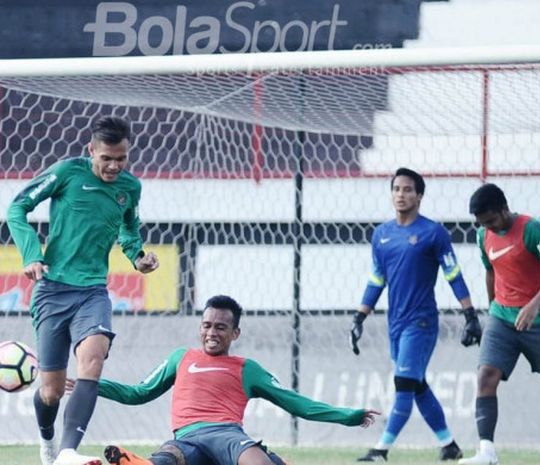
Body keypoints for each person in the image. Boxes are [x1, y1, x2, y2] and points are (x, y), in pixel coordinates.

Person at [7, 116, 159, 465]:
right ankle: (48, 441)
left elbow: (129, 228)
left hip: (93, 291)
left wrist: (137, 256)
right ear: (91, 150)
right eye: (106, 158)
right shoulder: (66, 173)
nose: (114, 165)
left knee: (92, 359)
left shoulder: (130, 188)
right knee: (51, 391)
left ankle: (67, 452)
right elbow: (17, 207)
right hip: (53, 290)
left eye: (121, 158)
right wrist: (32, 255)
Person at [87, 294, 380, 465]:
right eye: (207, 325)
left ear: (235, 333)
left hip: (228, 437)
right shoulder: (181, 358)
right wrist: (91, 385)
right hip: (188, 438)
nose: (212, 333)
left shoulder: (247, 368)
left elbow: (297, 403)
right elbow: (139, 392)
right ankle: (131, 462)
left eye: (221, 327)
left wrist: (348, 416)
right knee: (168, 458)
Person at [350, 167, 480, 462]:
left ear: (419, 195)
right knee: (417, 384)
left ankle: (380, 450)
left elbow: (454, 274)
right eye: (396, 189)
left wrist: (470, 314)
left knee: (404, 385)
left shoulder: (433, 233)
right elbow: (376, 279)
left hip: (421, 323)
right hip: (393, 324)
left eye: (408, 189)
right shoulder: (381, 235)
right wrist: (359, 317)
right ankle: (449, 446)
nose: (401, 194)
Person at [460, 183, 540, 465]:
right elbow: (490, 272)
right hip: (501, 318)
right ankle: (487, 452)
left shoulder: (532, 229)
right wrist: (492, 310)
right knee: (485, 377)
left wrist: (534, 304)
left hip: (539, 320)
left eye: (492, 221)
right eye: (483, 224)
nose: (489, 228)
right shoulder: (483, 235)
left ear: (504, 209)